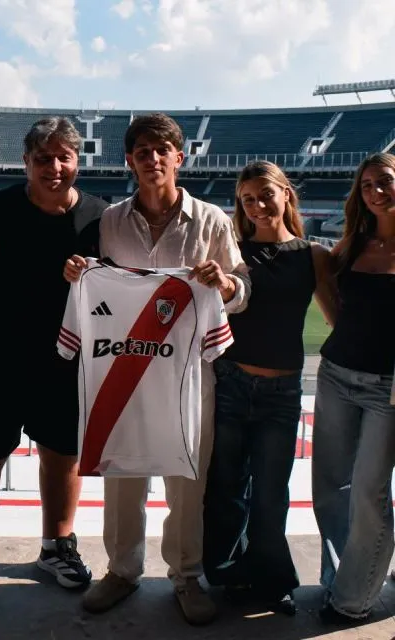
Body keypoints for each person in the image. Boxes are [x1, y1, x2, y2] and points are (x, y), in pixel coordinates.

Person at [64, 112, 251, 625]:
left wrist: (225, 285)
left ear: (179, 157)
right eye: (142, 151)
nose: (152, 159)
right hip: (123, 370)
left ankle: (186, 575)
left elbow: (240, 288)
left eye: (161, 150)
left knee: (186, 479)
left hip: (188, 375)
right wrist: (80, 274)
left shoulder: (211, 220)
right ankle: (122, 570)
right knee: (122, 475)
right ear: (129, 160)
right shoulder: (110, 221)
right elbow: (103, 290)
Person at [202, 160, 337, 616]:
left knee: (271, 493)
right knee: (226, 488)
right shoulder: (233, 253)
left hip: (282, 393)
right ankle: (229, 573)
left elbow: (339, 319)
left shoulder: (313, 255)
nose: (258, 206)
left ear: (286, 194)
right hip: (231, 382)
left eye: (265, 195)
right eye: (247, 200)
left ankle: (272, 577)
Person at [0, 117, 108, 587]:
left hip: (67, 359)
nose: (54, 167)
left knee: (62, 454)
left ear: (78, 161)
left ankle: (56, 546)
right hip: (1, 355)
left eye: (64, 158)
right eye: (43, 158)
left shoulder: (100, 215)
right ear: (26, 162)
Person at [312, 152, 395, 624]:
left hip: (388, 389)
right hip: (337, 375)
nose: (375, 191)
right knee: (329, 488)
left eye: (385, 181)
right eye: (366, 185)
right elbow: (334, 300)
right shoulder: (353, 243)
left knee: (368, 493)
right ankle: (340, 578)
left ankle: (354, 600)